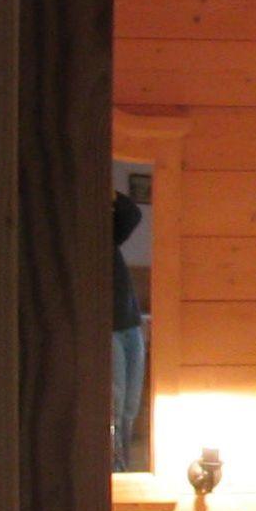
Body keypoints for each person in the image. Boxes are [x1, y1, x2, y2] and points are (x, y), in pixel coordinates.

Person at [112, 189, 147, 470]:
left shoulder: (109, 236)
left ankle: (123, 464)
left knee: (130, 405)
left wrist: (109, 192)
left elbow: (132, 214)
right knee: (116, 403)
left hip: (131, 324)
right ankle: (115, 466)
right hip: (109, 330)